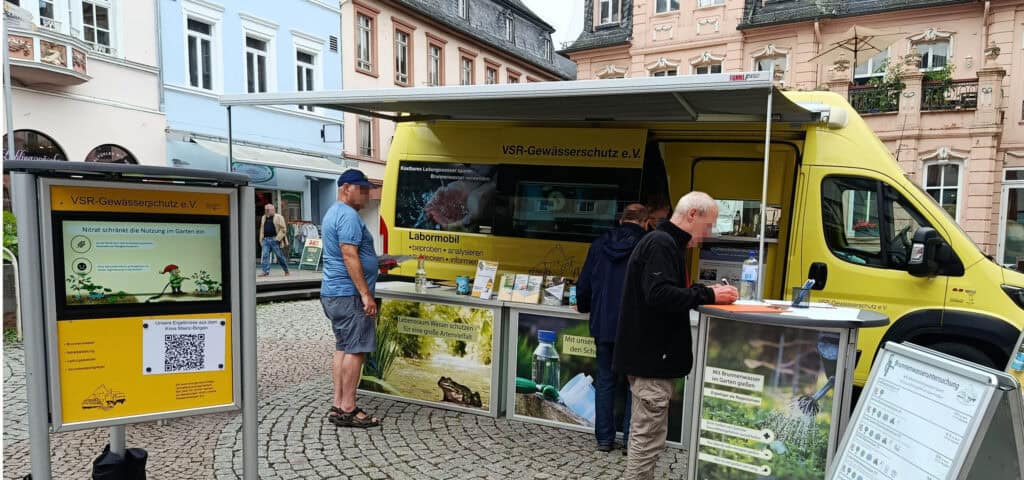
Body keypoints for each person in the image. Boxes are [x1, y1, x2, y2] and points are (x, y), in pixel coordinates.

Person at [614, 191, 738, 479]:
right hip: (651, 363)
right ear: (692, 215)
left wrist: (700, 291)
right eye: (708, 226)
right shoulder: (661, 243)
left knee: (649, 442)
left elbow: (664, 290)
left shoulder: (666, 243)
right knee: (646, 444)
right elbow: (658, 294)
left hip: (653, 361)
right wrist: (707, 293)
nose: (707, 235)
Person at [577, 204, 649, 453]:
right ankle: (632, 441)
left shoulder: (599, 244)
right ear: (645, 222)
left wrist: (585, 306)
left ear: (621, 220)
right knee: (635, 386)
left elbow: (584, 284)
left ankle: (604, 439)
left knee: (605, 381)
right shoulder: (648, 245)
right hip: (635, 328)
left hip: (604, 326)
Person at [320, 169, 382, 428]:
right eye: (363, 189)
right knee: (355, 350)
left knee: (343, 347)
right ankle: (348, 408)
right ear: (347, 188)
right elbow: (349, 255)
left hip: (335, 293)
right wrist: (366, 295)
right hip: (349, 295)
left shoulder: (334, 212)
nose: (368, 194)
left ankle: (338, 404)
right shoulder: (347, 216)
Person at [258, 203, 290, 277]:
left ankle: (286, 270)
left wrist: (277, 239)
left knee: (279, 256)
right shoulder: (264, 217)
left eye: (271, 209)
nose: (270, 211)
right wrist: (261, 239)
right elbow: (262, 228)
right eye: (268, 210)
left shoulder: (279, 217)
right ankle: (265, 271)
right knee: (265, 255)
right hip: (265, 240)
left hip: (274, 239)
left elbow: (283, 229)